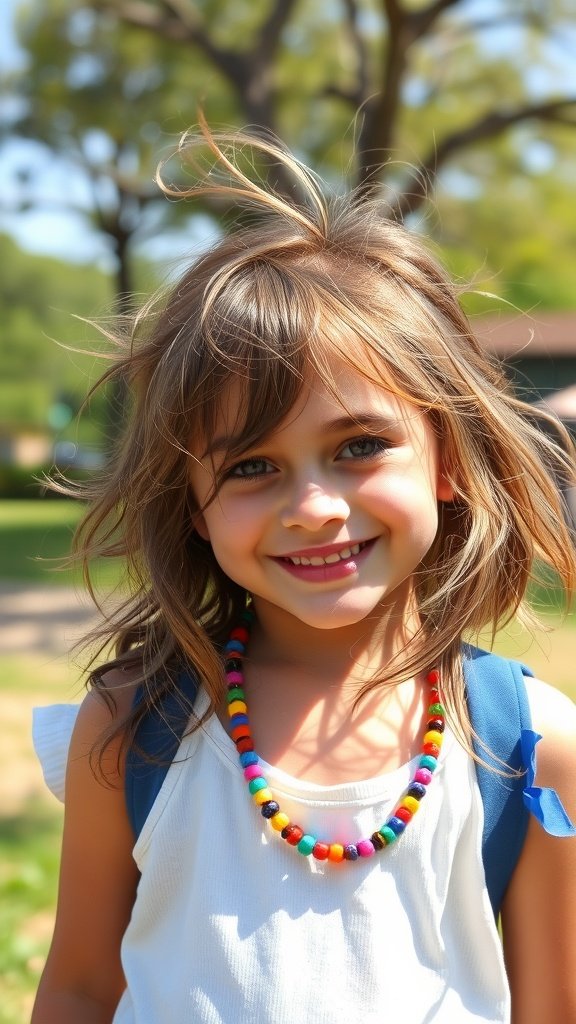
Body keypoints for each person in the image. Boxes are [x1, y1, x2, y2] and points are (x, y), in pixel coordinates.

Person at [32, 122, 576, 1024]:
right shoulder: (135, 727)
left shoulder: (529, 749)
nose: (313, 506)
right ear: (194, 505)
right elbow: (84, 987)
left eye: (358, 446)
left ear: (446, 458)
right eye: (250, 466)